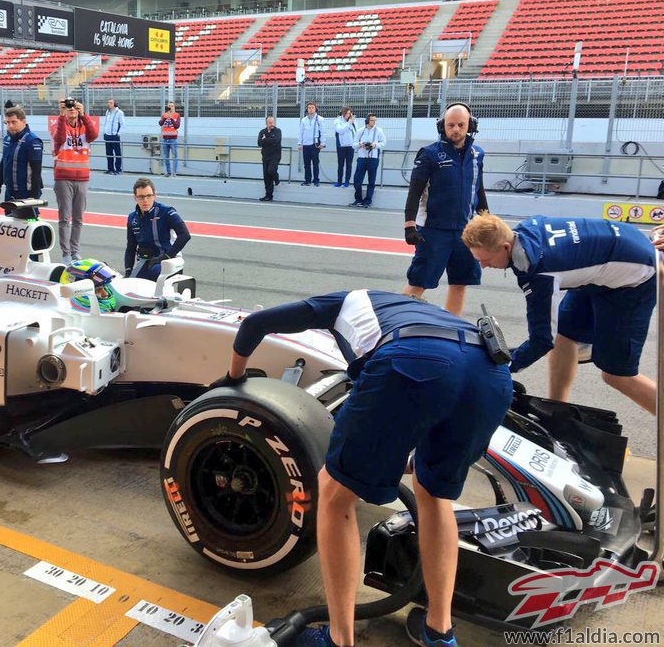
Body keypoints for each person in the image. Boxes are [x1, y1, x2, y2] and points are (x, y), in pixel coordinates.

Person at [218, 290, 512, 647]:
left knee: (333, 492)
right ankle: (439, 631)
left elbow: (255, 324)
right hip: (491, 375)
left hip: (414, 363)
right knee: (434, 494)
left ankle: (338, 639)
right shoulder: (418, 309)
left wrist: (234, 376)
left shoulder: (342, 301)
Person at [463, 213, 657, 416]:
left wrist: (503, 368)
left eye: (485, 260)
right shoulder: (525, 228)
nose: (483, 266)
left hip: (636, 278)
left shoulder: (538, 270)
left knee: (617, 375)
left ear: (505, 247)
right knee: (564, 334)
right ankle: (557, 410)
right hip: (612, 252)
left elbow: (542, 340)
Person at [402, 103, 488, 316]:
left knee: (459, 282)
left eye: (461, 124)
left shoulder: (478, 155)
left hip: (465, 232)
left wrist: (486, 219)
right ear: (443, 126)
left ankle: (451, 326)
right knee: (418, 283)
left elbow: (479, 188)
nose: (456, 129)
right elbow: (414, 193)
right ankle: (396, 322)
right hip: (433, 232)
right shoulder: (429, 155)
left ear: (471, 125)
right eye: (451, 125)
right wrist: (409, 225)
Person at [53, 97, 98, 265]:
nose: (72, 108)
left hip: (82, 177)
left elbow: (94, 135)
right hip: (63, 177)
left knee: (78, 218)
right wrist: (62, 115)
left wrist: (84, 114)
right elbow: (59, 138)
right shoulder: (60, 125)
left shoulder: (85, 127)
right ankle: (65, 253)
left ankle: (75, 251)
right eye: (68, 107)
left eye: (74, 106)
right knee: (65, 217)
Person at [124, 178, 191, 281]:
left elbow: (185, 235)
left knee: (155, 274)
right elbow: (130, 248)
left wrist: (165, 257)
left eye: (149, 196)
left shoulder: (167, 212)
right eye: (141, 197)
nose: (145, 200)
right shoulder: (132, 218)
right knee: (130, 283)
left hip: (170, 260)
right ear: (135, 197)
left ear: (155, 195)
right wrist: (128, 271)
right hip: (146, 261)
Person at [0, 105, 43, 210]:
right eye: (7, 122)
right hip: (10, 192)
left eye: (13, 122)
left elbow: (36, 171)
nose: (10, 126)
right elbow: (3, 163)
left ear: (23, 121)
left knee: (28, 223)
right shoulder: (7, 139)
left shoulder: (33, 141)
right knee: (10, 223)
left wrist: (34, 198)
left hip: (26, 193)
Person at [349, 113, 386, 208]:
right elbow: (354, 144)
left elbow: (383, 143)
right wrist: (360, 144)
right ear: (367, 121)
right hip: (362, 158)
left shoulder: (379, 131)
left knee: (371, 181)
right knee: (357, 180)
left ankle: (368, 201)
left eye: (375, 120)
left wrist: (375, 145)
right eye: (372, 120)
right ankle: (358, 200)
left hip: (373, 159)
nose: (374, 122)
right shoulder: (361, 131)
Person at [298, 101, 325, 187]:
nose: (311, 109)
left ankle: (316, 180)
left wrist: (323, 143)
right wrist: (300, 143)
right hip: (306, 144)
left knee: (315, 163)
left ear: (315, 108)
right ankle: (307, 180)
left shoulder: (320, 119)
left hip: (315, 144)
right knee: (306, 164)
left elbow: (323, 132)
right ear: (307, 109)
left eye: (312, 107)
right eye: (309, 108)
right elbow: (300, 132)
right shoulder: (304, 120)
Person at [257, 115, 282, 202]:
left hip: (275, 156)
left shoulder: (278, 131)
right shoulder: (262, 132)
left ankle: (277, 178)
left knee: (271, 170)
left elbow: (276, 140)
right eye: (269, 122)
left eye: (272, 122)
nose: (271, 124)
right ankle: (268, 195)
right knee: (266, 177)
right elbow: (259, 143)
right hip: (265, 156)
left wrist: (265, 140)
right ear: (266, 123)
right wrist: (268, 140)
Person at [333, 107, 356, 188]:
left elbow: (355, 133)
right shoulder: (337, 121)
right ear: (343, 113)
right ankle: (339, 181)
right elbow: (341, 130)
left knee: (349, 165)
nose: (348, 115)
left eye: (349, 113)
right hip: (341, 146)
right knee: (340, 165)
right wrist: (349, 123)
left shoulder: (353, 122)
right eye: (346, 113)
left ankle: (347, 181)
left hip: (350, 146)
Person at [103, 98, 125, 175]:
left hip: (114, 136)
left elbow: (123, 124)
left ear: (114, 104)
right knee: (109, 153)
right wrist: (105, 132)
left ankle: (118, 169)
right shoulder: (107, 112)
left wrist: (118, 134)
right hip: (107, 135)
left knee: (117, 153)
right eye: (108, 102)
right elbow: (106, 122)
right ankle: (110, 168)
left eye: (111, 103)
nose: (109, 104)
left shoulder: (119, 112)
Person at [159, 101, 181, 176]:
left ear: (174, 107)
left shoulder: (177, 115)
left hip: (173, 139)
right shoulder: (164, 115)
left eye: (172, 106)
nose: (170, 107)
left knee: (174, 156)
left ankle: (174, 172)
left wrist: (171, 118)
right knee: (166, 156)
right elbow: (160, 123)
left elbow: (177, 126)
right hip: (165, 139)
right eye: (169, 106)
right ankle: (168, 172)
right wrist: (165, 118)